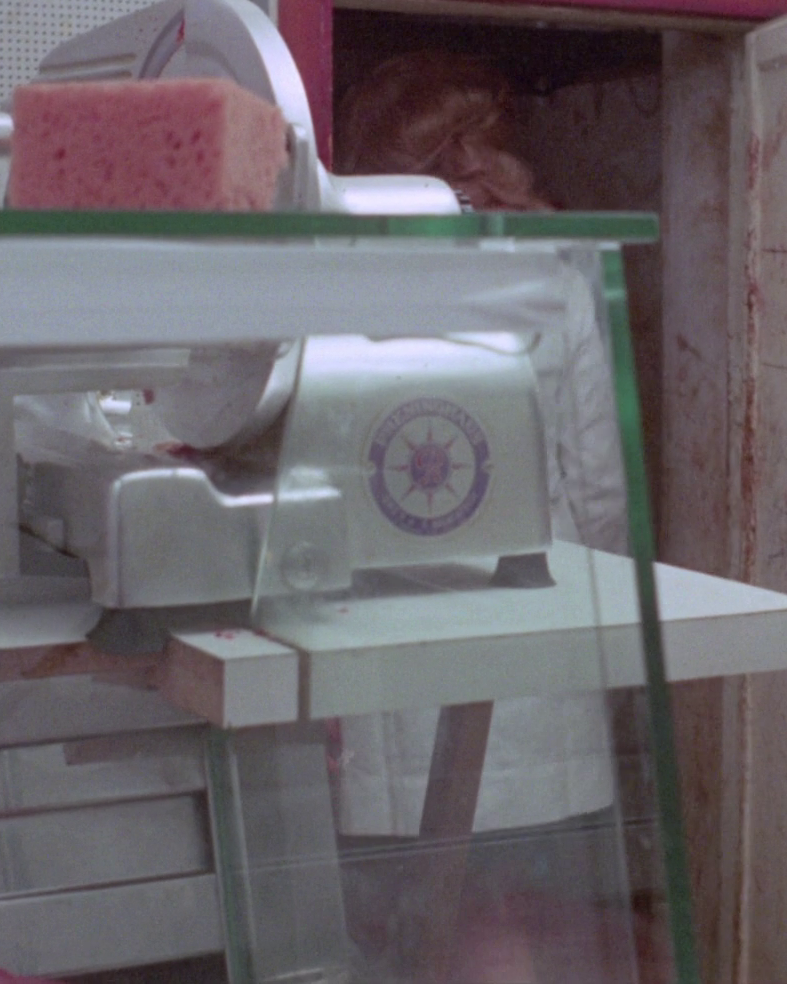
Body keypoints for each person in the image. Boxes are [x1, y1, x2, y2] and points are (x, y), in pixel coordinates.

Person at [329, 50, 638, 983]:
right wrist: (600, 658)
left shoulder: (330, 279)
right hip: (539, 677)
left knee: (417, 940)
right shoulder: (553, 276)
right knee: (524, 930)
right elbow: (600, 492)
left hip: (391, 694)